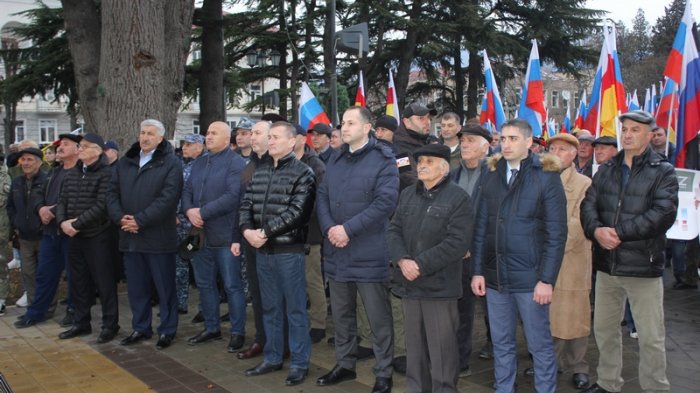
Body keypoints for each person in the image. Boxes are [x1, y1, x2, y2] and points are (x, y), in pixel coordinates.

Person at [580, 110, 678, 393]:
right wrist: (597, 231)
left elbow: (662, 214)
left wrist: (618, 233)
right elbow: (588, 206)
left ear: (650, 134)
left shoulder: (663, 171)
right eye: (625, 129)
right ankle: (609, 382)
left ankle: (656, 387)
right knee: (605, 331)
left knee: (650, 336)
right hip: (607, 266)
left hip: (642, 265)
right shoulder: (607, 168)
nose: (628, 134)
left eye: (635, 129)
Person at [471, 119, 567, 393]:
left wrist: (546, 279)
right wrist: (478, 271)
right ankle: (504, 388)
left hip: (531, 279)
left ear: (529, 142)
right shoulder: (491, 174)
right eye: (503, 138)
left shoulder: (546, 176)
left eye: (514, 138)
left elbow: (556, 233)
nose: (507, 144)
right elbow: (481, 227)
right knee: (501, 342)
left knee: (539, 344)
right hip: (495, 277)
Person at [316, 106, 399, 393]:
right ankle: (345, 364)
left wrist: (347, 230)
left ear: (367, 128)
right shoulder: (336, 159)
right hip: (338, 251)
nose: (344, 127)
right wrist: (330, 229)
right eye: (343, 123)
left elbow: (385, 203)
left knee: (377, 317)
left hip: (369, 250)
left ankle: (384, 372)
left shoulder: (383, 159)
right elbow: (323, 197)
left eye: (351, 123)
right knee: (341, 314)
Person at [389, 143, 473, 393]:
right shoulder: (407, 194)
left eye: (429, 161)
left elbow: (457, 243)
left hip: (439, 287)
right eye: (420, 161)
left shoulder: (458, 197)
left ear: (444, 168)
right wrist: (402, 260)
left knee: (442, 352)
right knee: (415, 351)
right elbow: (393, 230)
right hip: (409, 283)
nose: (422, 165)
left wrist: (420, 264)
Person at [239, 121, 316, 387]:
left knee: (295, 310)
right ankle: (272, 357)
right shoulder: (259, 171)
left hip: (288, 251)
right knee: (270, 308)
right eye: (268, 137)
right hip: (263, 251)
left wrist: (264, 232)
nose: (269, 142)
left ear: (292, 141)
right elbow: (246, 205)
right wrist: (247, 230)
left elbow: (298, 212)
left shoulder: (304, 173)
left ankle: (299, 362)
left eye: (275, 137)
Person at [107, 119, 184, 350]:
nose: (145, 137)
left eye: (151, 133)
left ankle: (167, 330)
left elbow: (168, 199)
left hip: (158, 238)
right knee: (136, 287)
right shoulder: (126, 162)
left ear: (161, 138)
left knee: (164, 287)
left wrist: (139, 220)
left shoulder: (171, 163)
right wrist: (121, 218)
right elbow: (111, 193)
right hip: (130, 237)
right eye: (142, 132)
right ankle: (141, 327)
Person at [183, 122, 247, 352]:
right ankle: (212, 327)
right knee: (204, 283)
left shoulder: (236, 163)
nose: (208, 137)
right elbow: (187, 190)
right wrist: (189, 210)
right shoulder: (200, 162)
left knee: (232, 285)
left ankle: (238, 332)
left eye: (213, 133)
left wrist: (202, 212)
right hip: (200, 234)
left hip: (226, 234)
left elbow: (233, 196)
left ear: (226, 137)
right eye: (207, 133)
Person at [55, 133, 119, 343]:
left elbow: (102, 206)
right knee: (78, 281)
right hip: (74, 236)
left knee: (104, 282)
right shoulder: (73, 174)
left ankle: (110, 325)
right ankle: (81, 322)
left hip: (97, 236)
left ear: (98, 150)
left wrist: (76, 223)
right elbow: (62, 200)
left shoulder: (106, 173)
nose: (80, 149)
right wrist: (63, 222)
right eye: (80, 146)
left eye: (84, 146)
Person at [14, 134, 81, 329]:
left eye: (65, 145)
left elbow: (75, 200)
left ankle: (73, 311)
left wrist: (51, 211)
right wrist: (40, 208)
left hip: (68, 233)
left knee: (74, 276)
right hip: (50, 233)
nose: (60, 148)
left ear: (77, 149)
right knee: (44, 274)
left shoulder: (79, 172)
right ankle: (36, 312)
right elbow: (38, 194)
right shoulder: (54, 171)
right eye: (59, 145)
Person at [546, 133, 593, 390]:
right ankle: (550, 362)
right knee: (548, 316)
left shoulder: (584, 183)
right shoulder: (539, 179)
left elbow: (579, 223)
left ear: (574, 154)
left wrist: (550, 244)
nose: (555, 152)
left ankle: (579, 365)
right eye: (552, 148)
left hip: (571, 261)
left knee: (576, 318)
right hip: (545, 262)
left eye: (562, 149)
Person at [449, 123, 493, 375]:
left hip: (486, 254)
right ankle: (460, 360)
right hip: (458, 255)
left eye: (471, 140)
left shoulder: (496, 173)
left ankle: (499, 353)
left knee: (494, 312)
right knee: (461, 310)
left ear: (485, 147)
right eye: (463, 140)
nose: (464, 144)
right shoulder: (453, 174)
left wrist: (471, 244)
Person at [236, 120, 271, 360]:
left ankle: (279, 342)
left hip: (272, 240)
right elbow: (241, 204)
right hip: (249, 238)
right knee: (257, 294)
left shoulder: (278, 164)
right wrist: (242, 233)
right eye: (252, 133)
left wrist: (265, 232)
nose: (252, 137)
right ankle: (261, 338)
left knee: (275, 296)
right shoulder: (250, 166)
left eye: (258, 133)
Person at [292, 124, 328, 344]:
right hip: (286, 234)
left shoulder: (315, 165)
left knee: (312, 279)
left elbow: (317, 199)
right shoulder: (282, 162)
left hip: (309, 233)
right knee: (294, 281)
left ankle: (318, 323)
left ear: (298, 139)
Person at [7, 146, 46, 309]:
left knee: (45, 273)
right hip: (24, 236)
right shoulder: (17, 182)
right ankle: (32, 305)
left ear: (39, 163)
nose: (26, 163)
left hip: (43, 236)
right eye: (23, 159)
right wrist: (16, 222)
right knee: (28, 273)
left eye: (30, 159)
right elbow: (11, 206)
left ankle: (45, 306)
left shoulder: (46, 181)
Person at [393, 102, 436, 191]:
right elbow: (408, 175)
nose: (427, 122)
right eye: (421, 118)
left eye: (428, 117)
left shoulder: (427, 141)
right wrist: (434, 190)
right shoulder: (399, 147)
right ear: (407, 122)